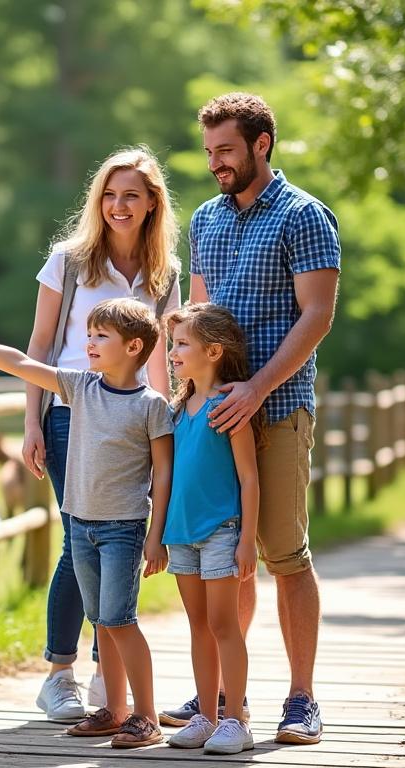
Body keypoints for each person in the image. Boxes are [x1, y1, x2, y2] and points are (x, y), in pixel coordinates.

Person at [158, 92, 340, 745]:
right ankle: (226, 696)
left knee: (284, 554)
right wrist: (189, 396)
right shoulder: (205, 219)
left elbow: (317, 316)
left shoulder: (305, 216)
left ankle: (302, 697)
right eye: (210, 152)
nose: (216, 163)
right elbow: (196, 324)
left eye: (226, 150)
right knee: (221, 558)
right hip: (210, 419)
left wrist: (258, 389)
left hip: (279, 408)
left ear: (262, 144)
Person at [0, 298, 172, 748]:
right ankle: (114, 711)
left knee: (120, 621)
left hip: (124, 529)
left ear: (134, 347)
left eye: (100, 337)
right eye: (89, 334)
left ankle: (145, 716)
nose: (88, 343)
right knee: (101, 621)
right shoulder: (79, 387)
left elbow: (164, 475)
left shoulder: (152, 406)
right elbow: (20, 362)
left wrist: (157, 537)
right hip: (80, 525)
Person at [21, 146, 179, 722]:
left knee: (120, 541)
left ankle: (103, 674)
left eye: (131, 195)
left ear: (151, 203)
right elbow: (39, 347)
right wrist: (32, 422)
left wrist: (168, 424)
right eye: (110, 195)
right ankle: (61, 673)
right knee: (78, 537)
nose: (118, 205)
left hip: (134, 421)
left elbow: (163, 361)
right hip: (72, 416)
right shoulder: (67, 261)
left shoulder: (164, 274)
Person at [160, 303, 261, 755]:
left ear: (214, 351)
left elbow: (249, 478)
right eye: (173, 343)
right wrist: (157, 534)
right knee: (198, 625)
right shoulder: (178, 409)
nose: (173, 352)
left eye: (183, 344)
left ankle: (236, 720)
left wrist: (246, 540)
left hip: (221, 531)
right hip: (180, 535)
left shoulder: (228, 405)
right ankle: (206, 715)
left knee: (224, 625)